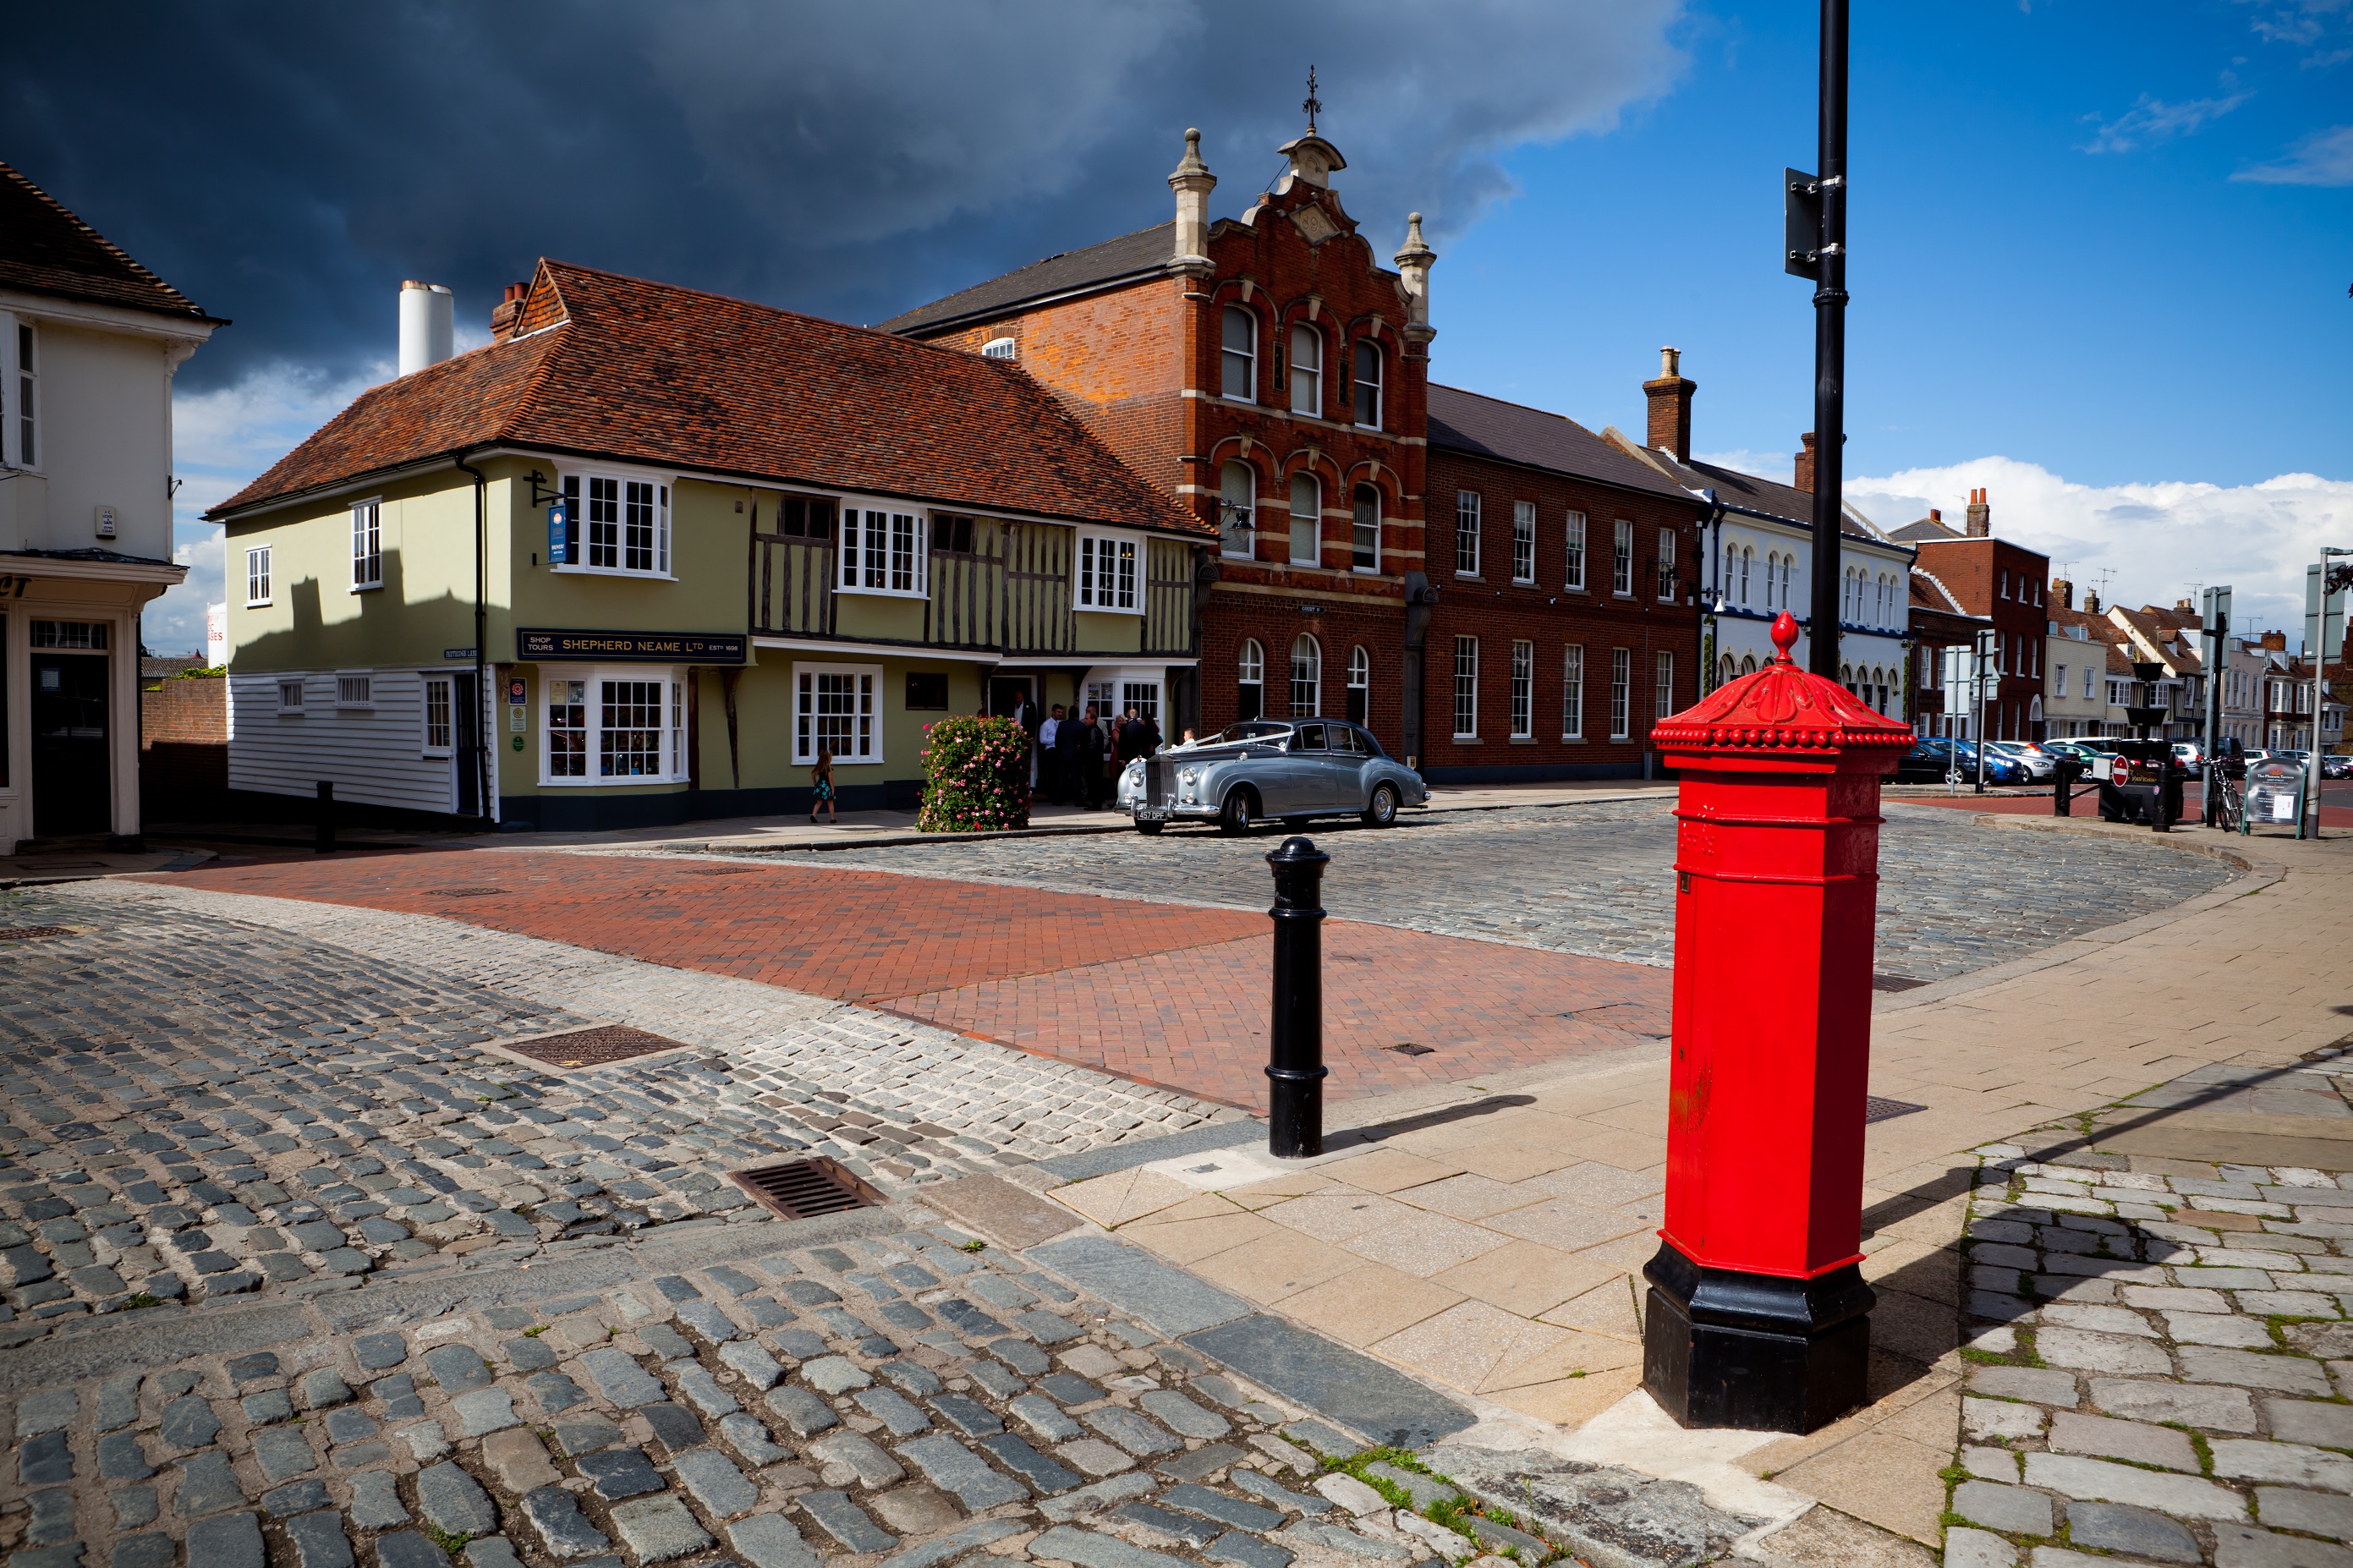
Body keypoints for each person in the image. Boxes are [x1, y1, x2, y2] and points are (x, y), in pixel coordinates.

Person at [1055, 703, 1087, 806]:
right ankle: (1078, 800)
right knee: (1076, 779)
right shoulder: (1081, 726)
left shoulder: (1062, 725)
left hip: (1063, 754)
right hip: (1075, 755)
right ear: (1077, 715)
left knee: (1061, 778)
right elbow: (1084, 742)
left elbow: (1057, 741)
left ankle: (1058, 799)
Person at [1079, 705, 1110, 808]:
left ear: (1093, 720)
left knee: (1094, 784)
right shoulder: (1092, 729)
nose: (1085, 720)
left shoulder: (1093, 730)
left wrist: (1086, 755)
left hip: (1093, 763)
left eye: (1087, 718)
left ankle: (1096, 804)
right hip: (1095, 762)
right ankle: (1095, 804)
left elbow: (1092, 746)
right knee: (1094, 784)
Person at [1039, 703, 1063, 805]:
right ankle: (1052, 796)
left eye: (1061, 712)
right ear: (1053, 712)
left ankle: (1058, 796)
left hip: (1059, 751)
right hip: (1050, 751)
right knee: (1052, 774)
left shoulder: (1061, 724)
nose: (1060, 714)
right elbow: (1042, 740)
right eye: (1058, 712)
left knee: (1059, 774)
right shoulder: (1046, 725)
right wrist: (1056, 740)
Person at [809, 748, 836, 825]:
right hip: (827, 786)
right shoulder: (828, 768)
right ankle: (832, 818)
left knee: (818, 802)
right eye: (831, 756)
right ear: (827, 758)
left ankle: (813, 815)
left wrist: (815, 783)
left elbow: (813, 774)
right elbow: (830, 779)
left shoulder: (819, 766)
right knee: (830, 802)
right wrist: (833, 789)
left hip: (820, 785)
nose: (832, 758)